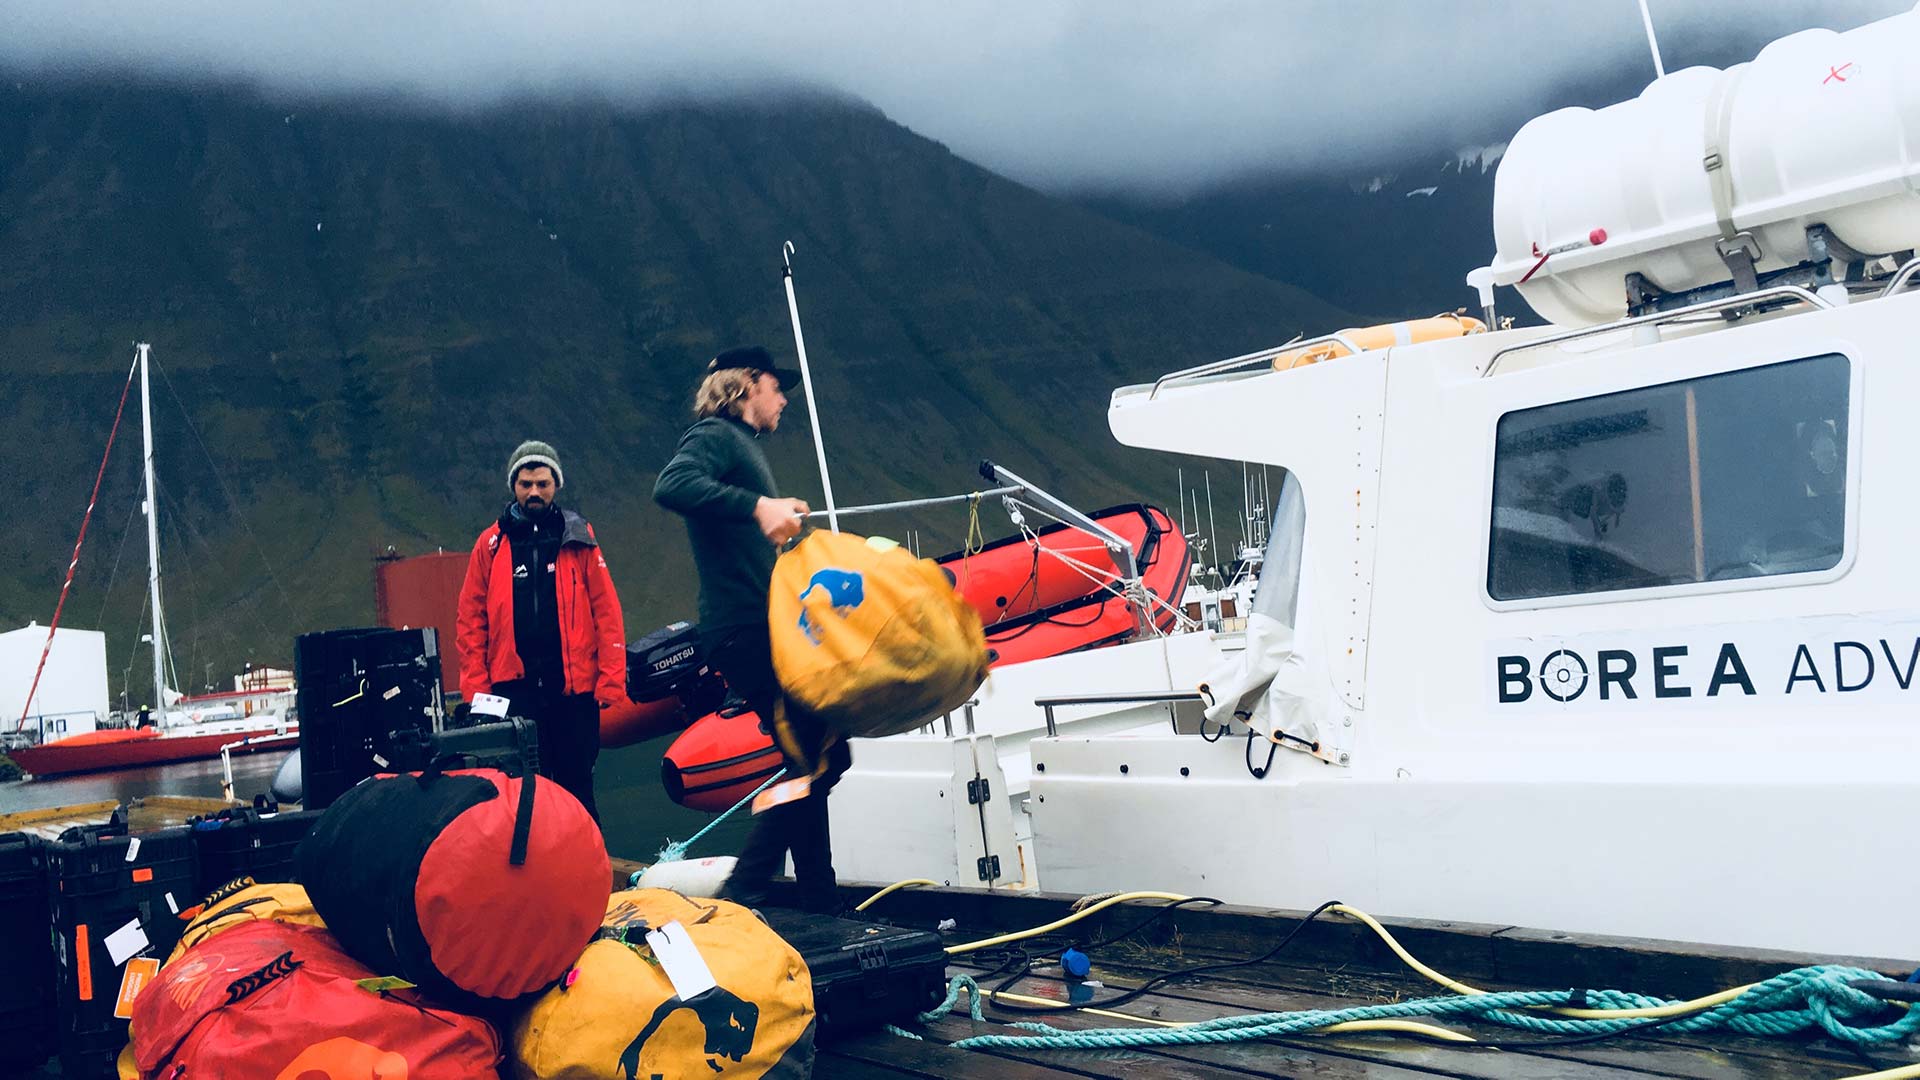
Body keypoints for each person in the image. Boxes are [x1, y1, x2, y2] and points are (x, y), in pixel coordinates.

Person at [654, 345, 850, 912]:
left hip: (761, 626)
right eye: (775, 386)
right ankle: (745, 892)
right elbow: (672, 485)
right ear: (746, 386)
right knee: (819, 758)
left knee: (811, 758)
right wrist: (759, 507)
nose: (783, 398)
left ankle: (818, 900)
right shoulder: (714, 435)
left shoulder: (740, 447)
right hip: (743, 630)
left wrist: (774, 521)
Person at [457, 439, 626, 819]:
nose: (534, 491)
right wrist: (476, 691)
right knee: (521, 794)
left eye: (543, 483)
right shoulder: (490, 544)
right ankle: (531, 873)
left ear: (556, 486)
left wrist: (611, 679)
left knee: (578, 787)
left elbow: (607, 612)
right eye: (526, 483)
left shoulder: (579, 537)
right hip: (513, 693)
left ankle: (588, 873)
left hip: (573, 691)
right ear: (513, 486)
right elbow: (470, 623)